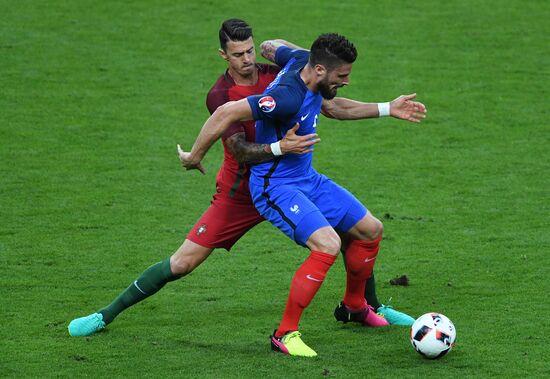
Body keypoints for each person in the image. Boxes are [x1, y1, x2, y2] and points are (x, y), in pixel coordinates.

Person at [68, 20, 413, 339]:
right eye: (238, 54)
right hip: (242, 192)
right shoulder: (225, 96)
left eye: (249, 50)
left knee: (360, 229)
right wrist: (198, 155)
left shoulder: (283, 70)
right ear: (224, 56)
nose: (247, 59)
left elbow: (280, 54)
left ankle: (363, 306)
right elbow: (241, 151)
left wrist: (307, 58)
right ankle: (105, 314)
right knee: (182, 262)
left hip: (293, 181)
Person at [178, 33, 427, 357]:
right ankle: (284, 334)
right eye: (342, 76)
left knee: (370, 229)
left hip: (306, 179)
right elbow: (226, 112)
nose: (347, 81)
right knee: (328, 244)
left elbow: (271, 45)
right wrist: (195, 156)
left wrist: (386, 108)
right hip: (274, 187)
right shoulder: (285, 97)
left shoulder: (303, 63)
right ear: (321, 71)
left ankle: (354, 306)